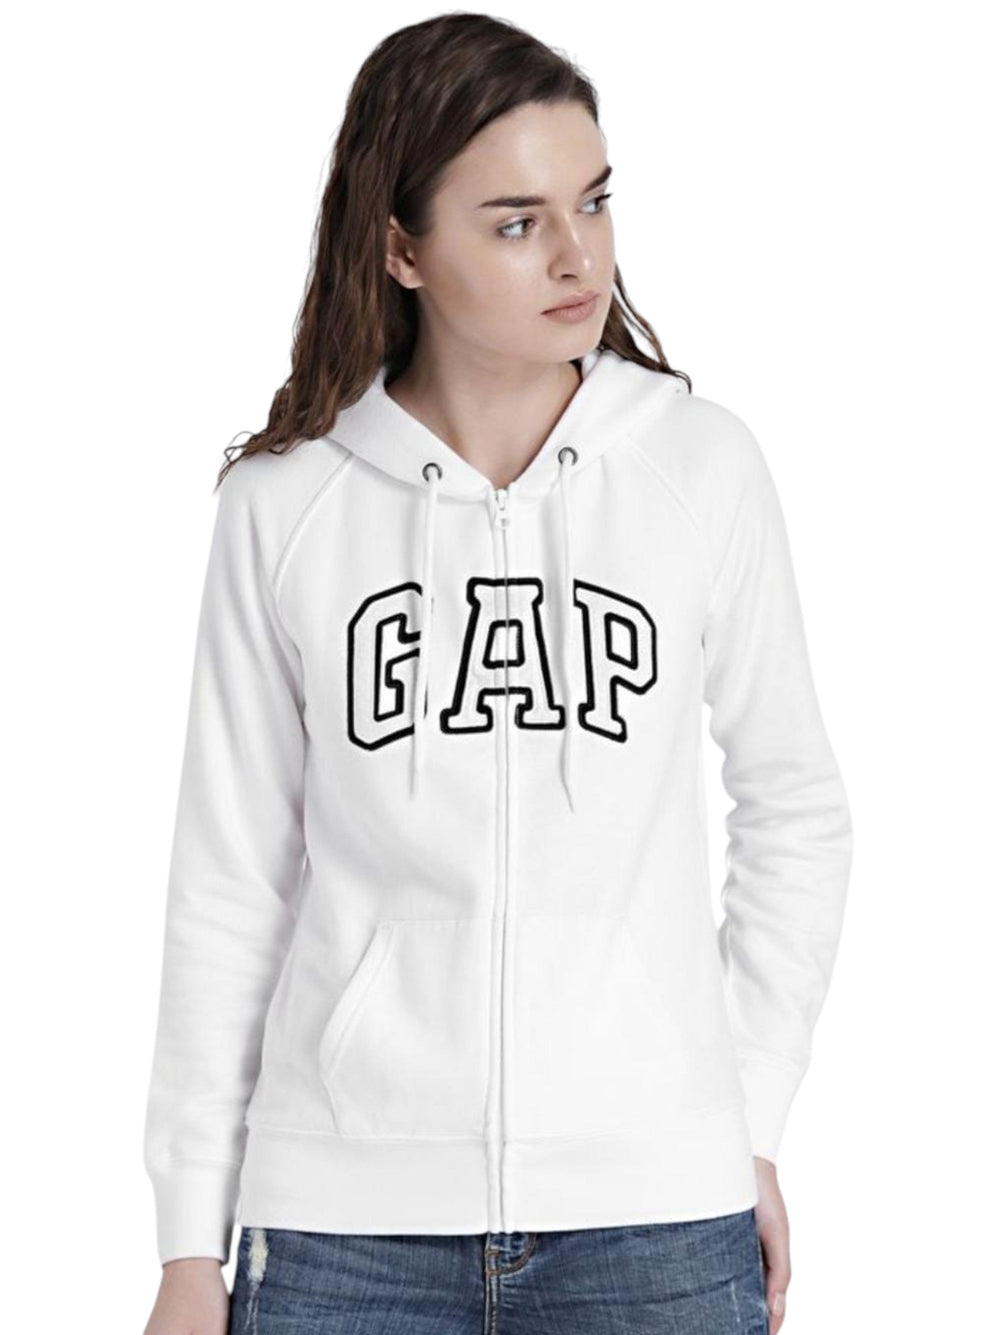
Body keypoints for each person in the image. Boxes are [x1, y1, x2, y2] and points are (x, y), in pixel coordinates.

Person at [141, 13, 853, 1335]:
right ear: (401, 248)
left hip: (655, 1218)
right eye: (517, 222)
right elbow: (229, 881)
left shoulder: (699, 468)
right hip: (345, 1230)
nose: (578, 255)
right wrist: (190, 1240)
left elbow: (796, 807)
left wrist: (741, 1116)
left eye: (594, 201)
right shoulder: (285, 504)